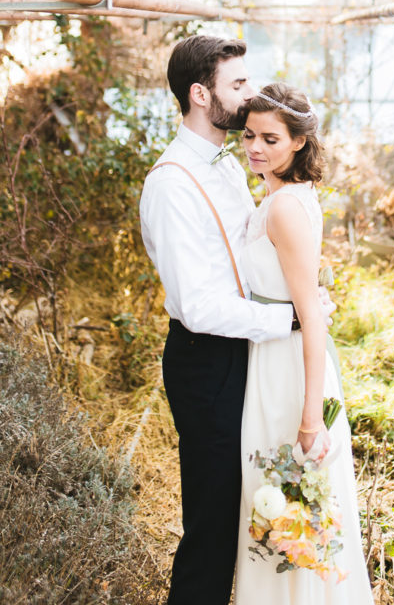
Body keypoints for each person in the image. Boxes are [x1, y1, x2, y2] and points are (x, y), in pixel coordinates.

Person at [139, 35, 331, 605]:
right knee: (213, 523)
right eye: (238, 85)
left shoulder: (228, 164)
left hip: (248, 350)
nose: (250, 94)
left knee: (255, 505)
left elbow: (254, 257)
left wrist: (300, 288)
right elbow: (199, 305)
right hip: (206, 361)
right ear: (201, 94)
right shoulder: (171, 184)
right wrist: (293, 321)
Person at [235, 82, 374, 605]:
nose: (255, 147)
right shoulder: (279, 192)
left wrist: (311, 418)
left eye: (270, 138)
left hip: (287, 373)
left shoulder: (285, 207)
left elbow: (310, 318)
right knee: (280, 513)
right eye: (248, 135)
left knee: (287, 508)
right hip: (268, 359)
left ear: (297, 142)